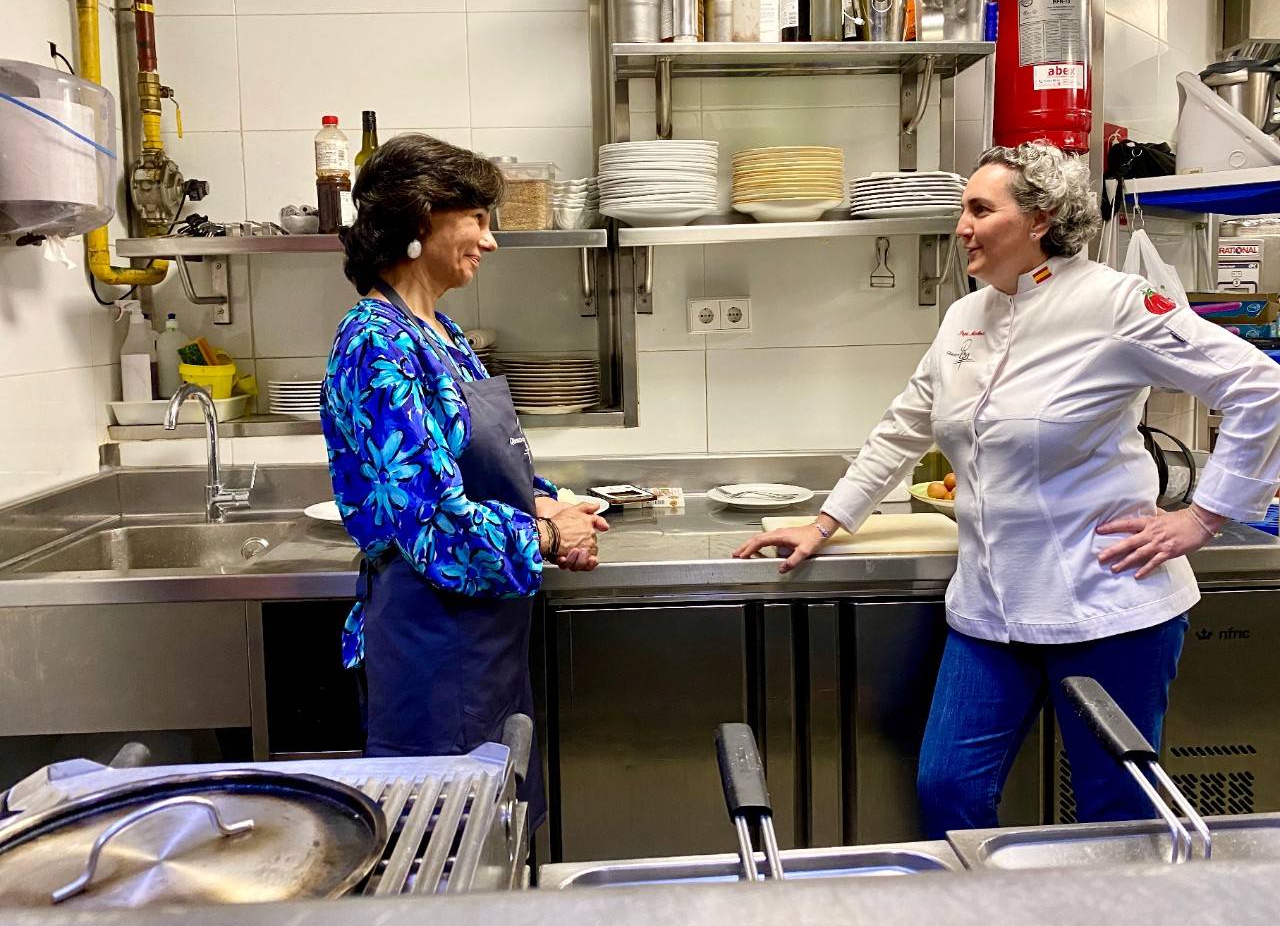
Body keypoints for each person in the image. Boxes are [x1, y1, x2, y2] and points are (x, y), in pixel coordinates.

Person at [735, 142, 1280, 837]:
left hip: (1108, 605)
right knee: (947, 789)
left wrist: (1203, 519)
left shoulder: (1115, 304)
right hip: (990, 610)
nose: (961, 225)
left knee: (1115, 813)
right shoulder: (967, 317)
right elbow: (903, 426)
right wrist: (824, 523)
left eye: (979, 209)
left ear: (1040, 218)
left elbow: (1259, 384)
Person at [321, 134, 606, 824]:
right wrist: (542, 533)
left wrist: (556, 514)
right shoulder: (374, 341)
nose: (490, 239)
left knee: (493, 840)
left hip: (485, 647)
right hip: (432, 646)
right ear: (422, 219)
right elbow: (433, 523)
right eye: (477, 218)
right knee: (441, 854)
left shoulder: (442, 333)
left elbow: (493, 473)